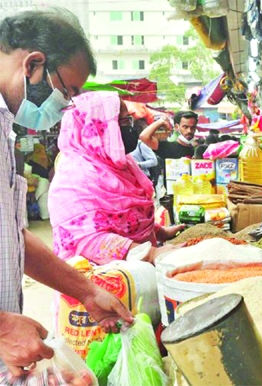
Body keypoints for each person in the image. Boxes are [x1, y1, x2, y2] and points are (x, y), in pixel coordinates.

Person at [0, 8, 133, 376]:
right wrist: (2, 327)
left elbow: (12, 240)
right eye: (67, 91)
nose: (65, 107)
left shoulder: (5, 126)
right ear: (33, 65)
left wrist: (86, 291)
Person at [49, 92, 183, 265]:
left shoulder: (121, 164)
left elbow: (130, 217)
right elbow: (88, 240)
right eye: (123, 121)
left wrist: (160, 232)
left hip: (138, 272)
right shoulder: (74, 178)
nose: (130, 128)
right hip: (105, 284)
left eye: (129, 120)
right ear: (96, 127)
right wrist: (151, 253)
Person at [140, 110, 197, 188]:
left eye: (192, 127)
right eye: (185, 127)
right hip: (173, 197)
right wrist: (161, 121)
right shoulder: (167, 147)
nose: (189, 131)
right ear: (177, 127)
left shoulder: (198, 151)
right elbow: (144, 136)